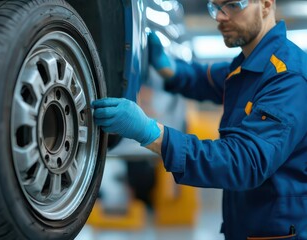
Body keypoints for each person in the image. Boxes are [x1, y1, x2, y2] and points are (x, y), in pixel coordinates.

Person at [92, 0, 307, 239]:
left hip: (282, 232)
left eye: (233, 5)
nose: (220, 17)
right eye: (215, 7)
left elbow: (244, 162)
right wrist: (170, 69)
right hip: (248, 227)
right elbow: (206, 79)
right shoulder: (247, 67)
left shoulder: (288, 78)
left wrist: (152, 133)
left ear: (266, 4)